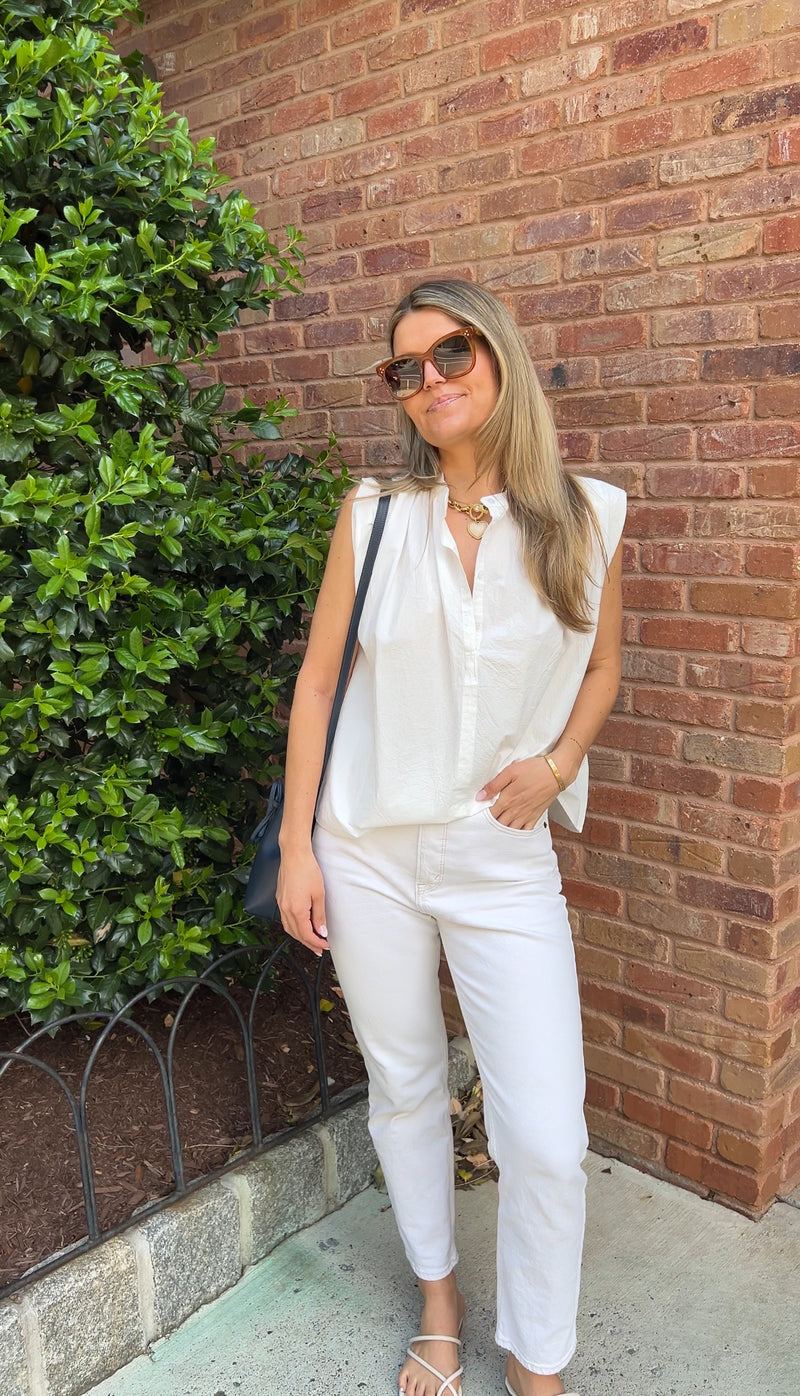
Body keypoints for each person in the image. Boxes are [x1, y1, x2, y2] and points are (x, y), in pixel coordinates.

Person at [276, 279, 626, 1396]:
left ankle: (535, 1354)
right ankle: (440, 1297)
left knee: (547, 1135)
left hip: (499, 858)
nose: (429, 380)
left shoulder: (584, 517)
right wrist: (298, 849)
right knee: (406, 1085)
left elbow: (603, 667)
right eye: (405, 369)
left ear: (498, 354)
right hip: (366, 850)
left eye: (451, 353)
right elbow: (318, 681)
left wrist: (558, 765)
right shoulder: (373, 516)